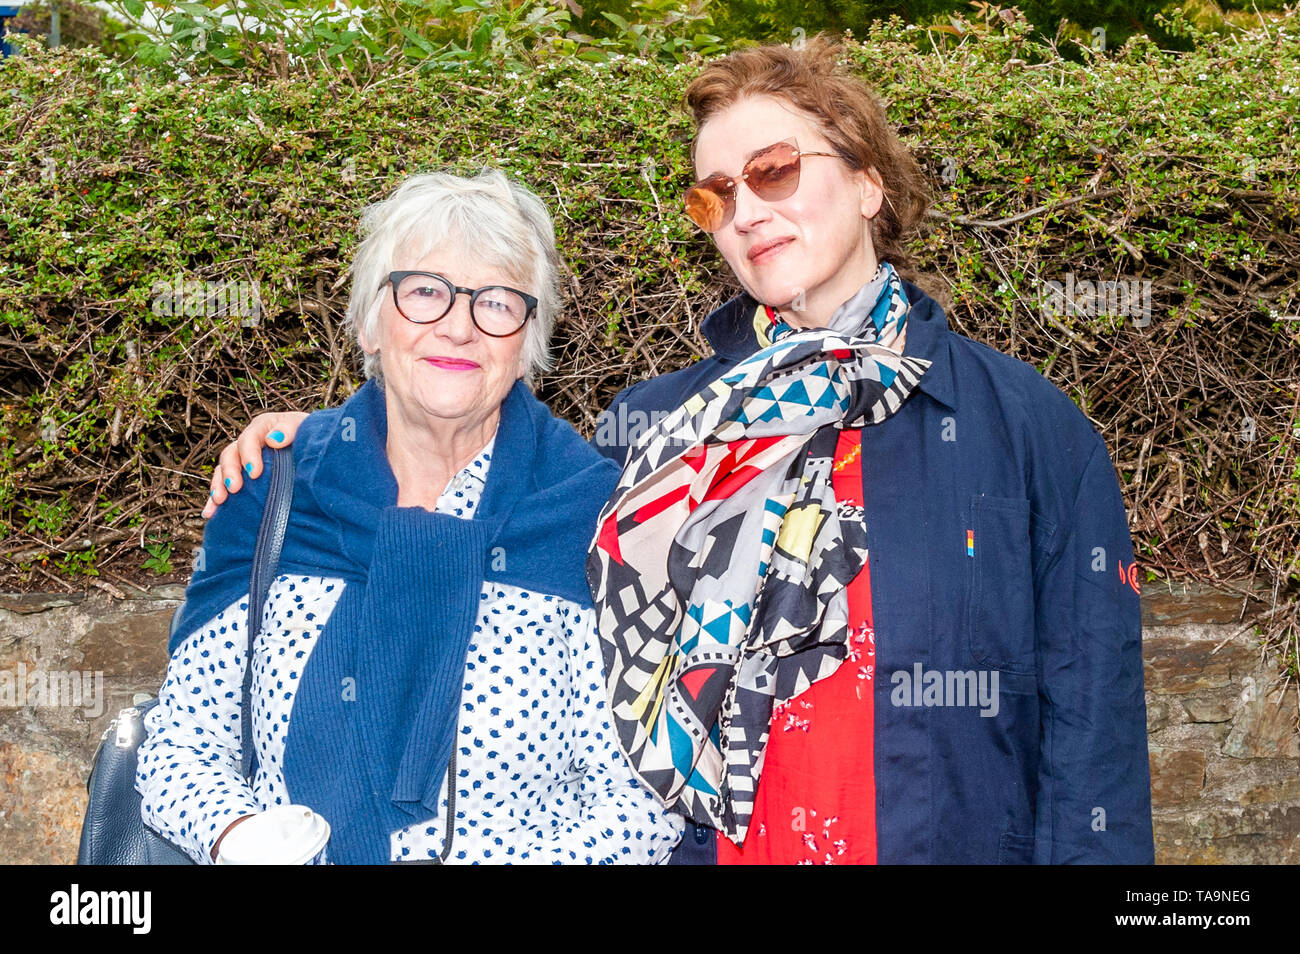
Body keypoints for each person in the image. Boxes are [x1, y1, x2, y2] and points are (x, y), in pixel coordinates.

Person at [203, 37, 1155, 864]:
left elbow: (1092, 739)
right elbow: (483, 464)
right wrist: (324, 438)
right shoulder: (659, 430)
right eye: (716, 194)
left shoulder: (1030, 432)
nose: (746, 209)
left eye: (775, 169)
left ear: (868, 181)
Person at [137, 169, 684, 864]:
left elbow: (644, 795)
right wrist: (239, 836)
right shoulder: (274, 495)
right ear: (371, 321)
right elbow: (183, 742)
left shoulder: (594, 519)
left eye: (496, 302)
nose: (459, 326)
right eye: (425, 291)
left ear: (527, 342)